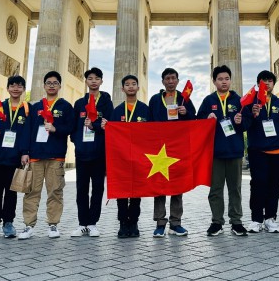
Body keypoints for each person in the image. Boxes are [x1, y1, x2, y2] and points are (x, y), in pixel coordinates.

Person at [18, 71, 73, 240]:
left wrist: (57, 129)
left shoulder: (65, 106)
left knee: (55, 191)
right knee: (31, 192)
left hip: (56, 156)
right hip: (35, 156)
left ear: (60, 86)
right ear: (44, 85)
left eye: (55, 83)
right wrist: (25, 152)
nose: (51, 85)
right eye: (48, 83)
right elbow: (27, 130)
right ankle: (28, 225)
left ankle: (53, 224)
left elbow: (71, 127)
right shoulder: (36, 107)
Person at [197, 65, 248, 236]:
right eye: (220, 79)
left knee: (235, 189)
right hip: (215, 153)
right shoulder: (208, 101)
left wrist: (241, 122)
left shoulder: (239, 101)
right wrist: (206, 118)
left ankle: (236, 222)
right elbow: (198, 122)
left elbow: (247, 124)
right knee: (216, 190)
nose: (224, 82)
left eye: (227, 79)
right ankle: (217, 222)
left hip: (234, 151)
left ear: (230, 80)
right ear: (214, 81)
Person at [148, 68, 196, 237]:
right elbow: (148, 123)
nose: (170, 81)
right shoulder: (155, 100)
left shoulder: (184, 99)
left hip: (178, 148)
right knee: (159, 185)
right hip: (159, 148)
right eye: (167, 78)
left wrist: (186, 113)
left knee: (177, 185)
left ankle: (176, 223)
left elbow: (194, 119)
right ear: (162, 81)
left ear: (177, 80)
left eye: (173, 78)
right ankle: (160, 223)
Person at [0, 75, 29, 240]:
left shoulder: (26, 109)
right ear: (8, 88)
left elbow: (27, 133)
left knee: (11, 192)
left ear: (23, 89)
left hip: (15, 158)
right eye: (12, 85)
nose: (16, 89)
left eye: (19, 86)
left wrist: (25, 152)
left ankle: (8, 223)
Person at [244, 70, 279, 234]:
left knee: (273, 185)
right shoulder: (251, 103)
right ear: (258, 84)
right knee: (258, 185)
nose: (267, 83)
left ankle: (270, 218)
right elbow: (244, 126)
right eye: (263, 81)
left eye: (270, 81)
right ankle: (256, 219)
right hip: (257, 151)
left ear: (273, 84)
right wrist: (252, 115)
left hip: (278, 151)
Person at [102, 74, 149, 238]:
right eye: (127, 84)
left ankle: (134, 222)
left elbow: (153, 133)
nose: (130, 86)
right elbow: (111, 134)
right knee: (121, 190)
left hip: (140, 157)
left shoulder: (145, 109)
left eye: (133, 84)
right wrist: (106, 127)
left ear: (138, 87)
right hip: (121, 158)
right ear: (122, 89)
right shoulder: (117, 111)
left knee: (137, 191)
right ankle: (123, 222)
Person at [70, 67, 113, 238]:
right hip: (82, 153)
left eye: (97, 78)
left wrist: (94, 126)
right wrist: (77, 142)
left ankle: (93, 223)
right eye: (90, 78)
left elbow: (110, 126)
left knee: (97, 189)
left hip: (99, 153)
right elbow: (74, 127)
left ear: (101, 81)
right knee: (81, 189)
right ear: (86, 81)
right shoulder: (79, 103)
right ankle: (82, 224)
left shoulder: (106, 103)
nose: (93, 81)